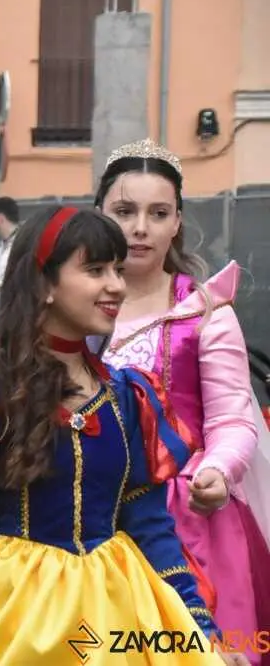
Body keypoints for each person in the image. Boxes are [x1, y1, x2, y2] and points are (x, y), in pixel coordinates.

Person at [0, 207, 246, 665]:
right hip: (6, 621)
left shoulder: (129, 398)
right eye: (95, 270)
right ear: (43, 284)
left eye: (117, 270)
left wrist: (202, 633)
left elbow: (152, 530)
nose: (116, 285)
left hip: (117, 615)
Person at [96, 139, 270, 665]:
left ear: (177, 223)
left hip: (187, 517)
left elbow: (232, 418)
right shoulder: (69, 306)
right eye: (124, 211)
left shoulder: (205, 313)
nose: (140, 228)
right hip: (87, 517)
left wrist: (218, 470)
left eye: (158, 213)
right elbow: (8, 407)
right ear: (99, 214)